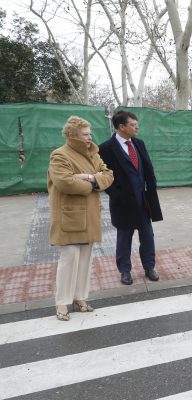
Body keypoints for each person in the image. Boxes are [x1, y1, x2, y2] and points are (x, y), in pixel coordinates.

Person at [48, 116, 113, 320]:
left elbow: (108, 175)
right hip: (69, 217)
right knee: (69, 259)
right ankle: (62, 303)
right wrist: (94, 182)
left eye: (89, 133)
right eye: (85, 134)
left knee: (85, 259)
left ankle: (80, 298)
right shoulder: (60, 155)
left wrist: (89, 178)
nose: (89, 137)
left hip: (90, 215)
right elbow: (65, 183)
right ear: (73, 135)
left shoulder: (93, 153)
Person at [99, 111, 163, 285]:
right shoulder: (106, 148)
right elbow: (102, 177)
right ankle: (125, 270)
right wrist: (117, 196)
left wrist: (152, 189)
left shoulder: (139, 144)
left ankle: (149, 267)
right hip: (123, 203)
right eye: (133, 125)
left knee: (147, 236)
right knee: (124, 237)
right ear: (121, 127)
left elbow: (148, 169)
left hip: (143, 200)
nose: (137, 127)